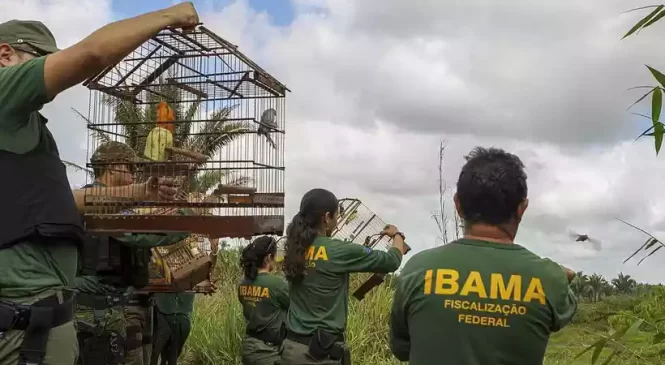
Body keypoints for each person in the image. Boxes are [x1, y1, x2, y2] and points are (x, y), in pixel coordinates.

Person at [0, 4, 199, 365]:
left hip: (38, 320)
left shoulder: (22, 134)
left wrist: (140, 192)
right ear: (5, 54)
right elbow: (90, 54)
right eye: (42, 61)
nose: (54, 87)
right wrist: (170, 17)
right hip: (23, 321)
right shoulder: (3, 93)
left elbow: (63, 201)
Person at [389, 147, 578, 365]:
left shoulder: (419, 268)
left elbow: (402, 349)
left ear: (458, 205)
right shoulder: (547, 278)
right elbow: (564, 310)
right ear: (522, 208)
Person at [74, 141, 191, 365]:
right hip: (93, 313)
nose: (132, 174)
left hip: (109, 309)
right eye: (129, 168)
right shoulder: (98, 200)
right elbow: (140, 232)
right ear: (113, 166)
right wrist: (187, 220)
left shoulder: (110, 202)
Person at [280, 188, 408, 365]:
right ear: (326, 218)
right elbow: (392, 260)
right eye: (336, 215)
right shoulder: (337, 250)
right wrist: (397, 235)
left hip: (290, 350)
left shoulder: (294, 249)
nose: (337, 219)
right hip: (320, 355)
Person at [236, 236, 289, 365]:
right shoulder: (276, 284)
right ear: (269, 257)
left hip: (249, 347)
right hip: (267, 352)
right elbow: (296, 305)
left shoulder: (243, 284)